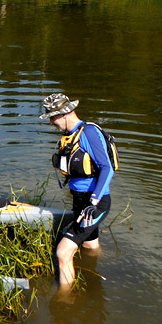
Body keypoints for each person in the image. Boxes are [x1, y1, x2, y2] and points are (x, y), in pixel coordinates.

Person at [40, 93, 114, 287]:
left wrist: (94, 202)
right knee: (90, 245)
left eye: (52, 117)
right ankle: (99, 271)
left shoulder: (88, 133)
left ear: (64, 114)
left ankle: (65, 302)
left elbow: (107, 168)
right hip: (80, 200)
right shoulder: (68, 135)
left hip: (94, 202)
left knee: (63, 252)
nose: (51, 123)